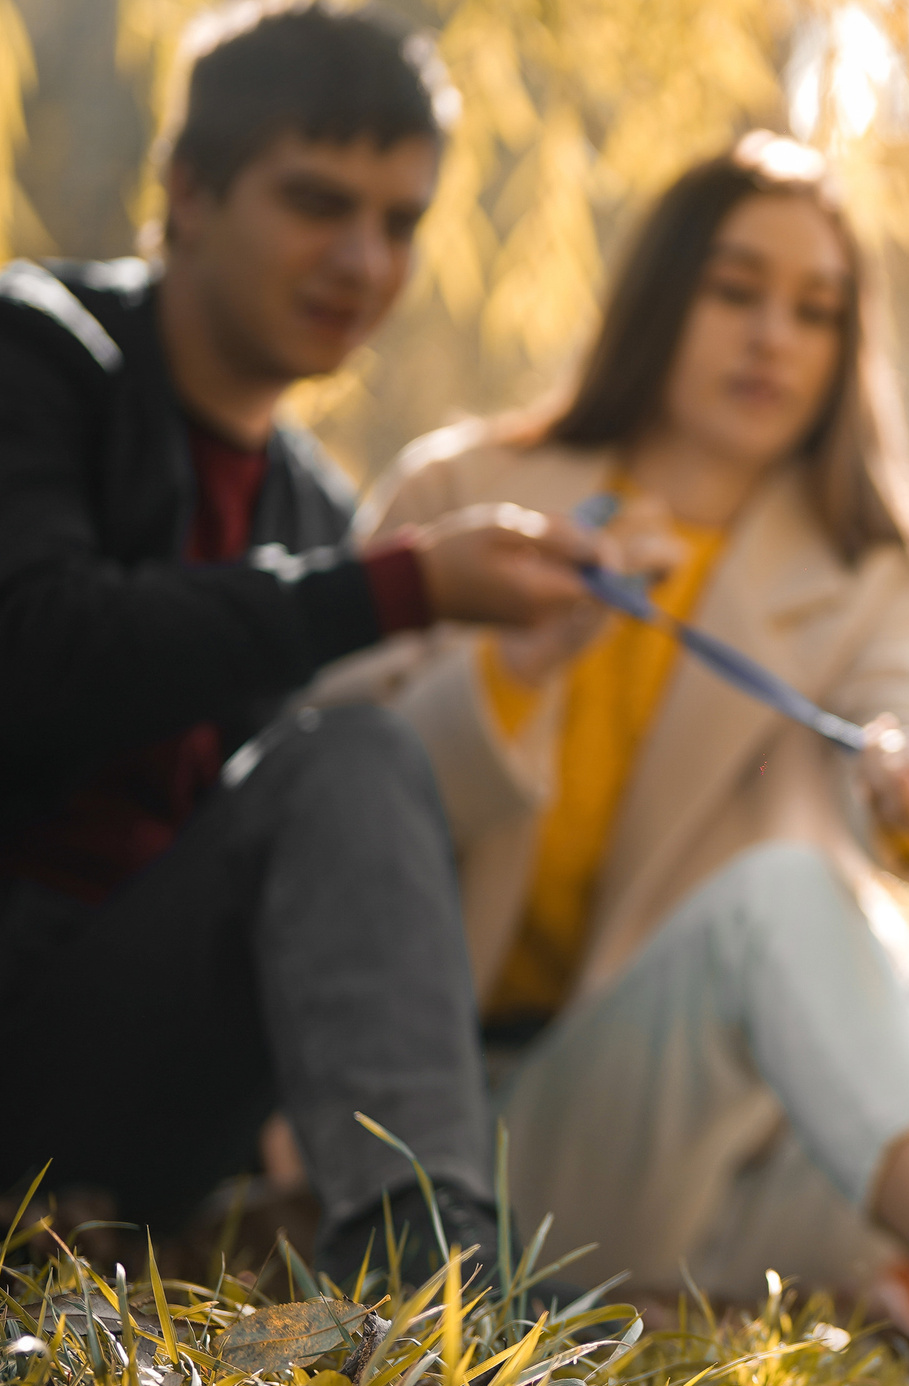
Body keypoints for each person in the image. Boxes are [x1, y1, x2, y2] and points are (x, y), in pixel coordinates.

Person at [319, 133, 909, 1357]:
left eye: (815, 311)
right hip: (516, 1148)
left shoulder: (864, 566)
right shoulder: (466, 492)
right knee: (776, 896)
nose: (773, 337)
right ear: (661, 298)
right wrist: (519, 666)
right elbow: (330, 794)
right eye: (736, 292)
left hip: (793, 1162)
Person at [0, 3, 603, 1284]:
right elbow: (41, 645)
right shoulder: (36, 355)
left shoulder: (314, 509)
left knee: (358, 756)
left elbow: (329, 835)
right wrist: (404, 584)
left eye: (401, 223)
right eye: (317, 203)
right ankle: (433, 1268)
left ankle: (433, 1269)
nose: (363, 261)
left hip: (130, 1068)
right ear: (189, 190)